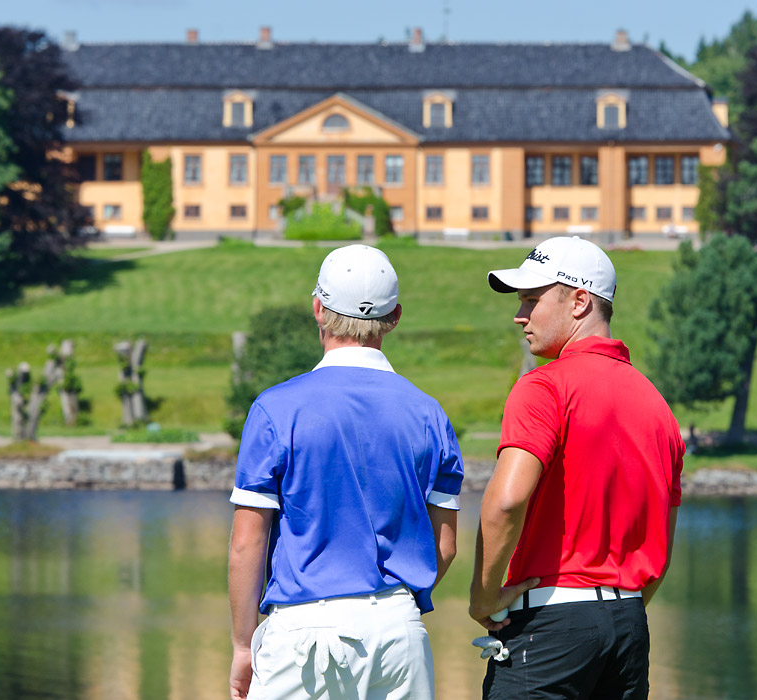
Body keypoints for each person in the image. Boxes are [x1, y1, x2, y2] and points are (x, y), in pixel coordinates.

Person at [228, 244, 464, 700]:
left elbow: (246, 543)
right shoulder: (429, 414)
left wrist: (243, 645)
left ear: (318, 309)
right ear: (394, 317)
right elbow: (446, 546)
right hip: (400, 632)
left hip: (305, 631)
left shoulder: (276, 409)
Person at [469, 236, 685, 700]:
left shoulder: (543, 387)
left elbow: (505, 503)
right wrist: (616, 611)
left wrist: (483, 598)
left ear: (580, 302)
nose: (519, 315)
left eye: (532, 300)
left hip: (550, 626)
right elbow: (661, 549)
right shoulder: (658, 407)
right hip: (628, 627)